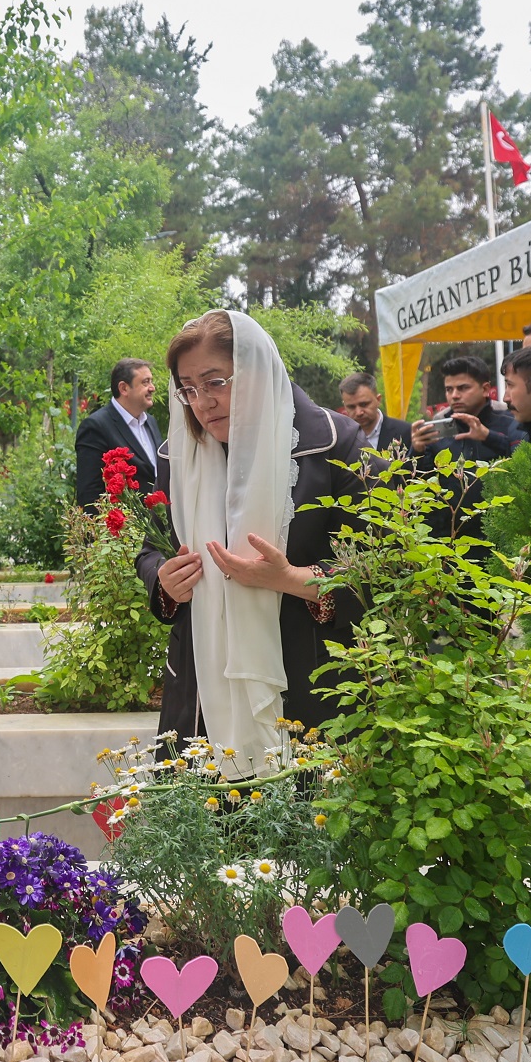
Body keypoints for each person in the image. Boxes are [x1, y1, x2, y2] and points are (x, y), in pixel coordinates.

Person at [137, 310, 366, 749]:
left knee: (302, 789)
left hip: (309, 678)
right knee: (204, 789)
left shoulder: (335, 443)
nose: (202, 402)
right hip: (202, 686)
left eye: (215, 382)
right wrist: (164, 581)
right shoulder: (178, 456)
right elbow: (152, 550)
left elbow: (382, 563)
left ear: (256, 371)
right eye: (188, 389)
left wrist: (293, 579)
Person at [409, 354, 526, 538]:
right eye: (449, 389)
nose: (454, 395)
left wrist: (488, 437)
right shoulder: (437, 433)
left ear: (485, 389)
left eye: (463, 388)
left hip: (502, 535)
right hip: (452, 539)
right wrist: (417, 451)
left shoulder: (511, 423)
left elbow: (523, 462)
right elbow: (417, 486)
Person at [75, 358, 162, 508]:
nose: (152, 388)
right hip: (125, 521)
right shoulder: (96, 427)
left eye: (151, 381)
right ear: (124, 388)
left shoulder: (151, 422)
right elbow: (89, 495)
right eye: (145, 382)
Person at [338, 370, 408, 453]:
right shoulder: (339, 438)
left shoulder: (405, 433)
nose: (359, 412)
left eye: (364, 404)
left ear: (378, 400)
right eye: (351, 407)